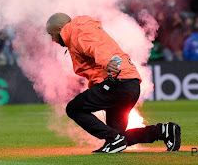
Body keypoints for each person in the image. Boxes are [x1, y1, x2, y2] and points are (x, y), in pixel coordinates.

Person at [46, 13, 181, 154]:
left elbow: (96, 47)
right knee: (119, 138)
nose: (53, 40)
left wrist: (107, 63)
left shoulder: (76, 32)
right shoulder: (83, 28)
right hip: (129, 83)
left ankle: (114, 138)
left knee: (74, 108)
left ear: (60, 28)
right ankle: (163, 131)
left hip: (117, 83)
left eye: (52, 34)